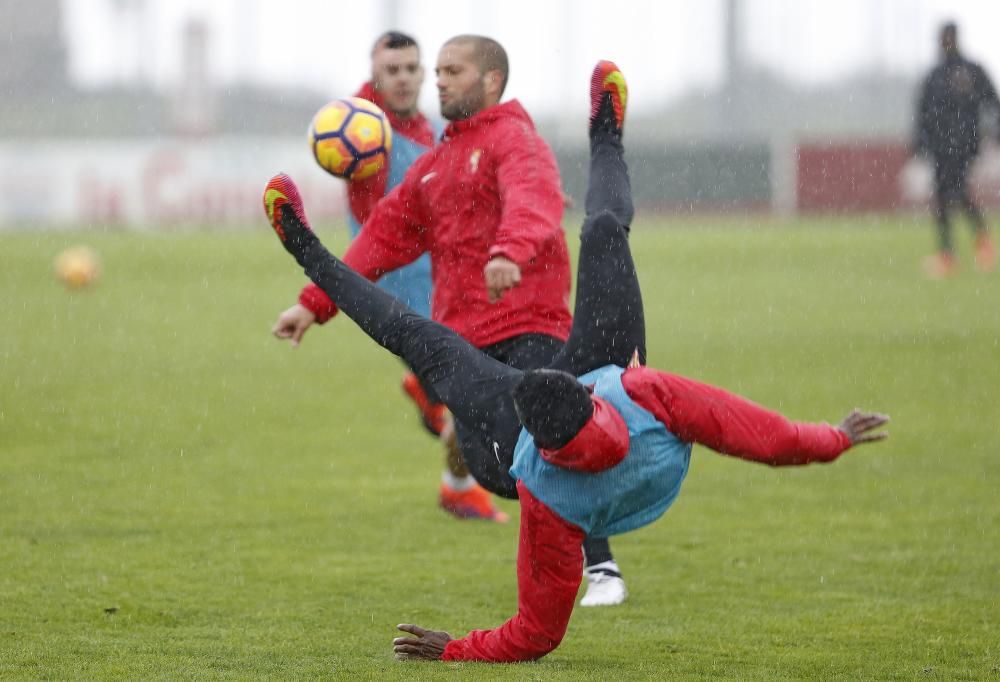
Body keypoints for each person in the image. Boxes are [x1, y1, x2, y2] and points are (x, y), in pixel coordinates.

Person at [263, 60, 890, 663]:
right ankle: (607, 137)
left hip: (512, 445)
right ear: (587, 393)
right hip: (610, 405)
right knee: (604, 232)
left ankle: (299, 241)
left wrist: (451, 649)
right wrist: (833, 438)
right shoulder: (647, 395)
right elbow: (760, 434)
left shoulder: (545, 501)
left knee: (415, 337)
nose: (436, 80)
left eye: (449, 71)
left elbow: (534, 634)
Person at [274, 34, 629, 606]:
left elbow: (533, 200)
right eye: (436, 70)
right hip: (460, 343)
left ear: (490, 81)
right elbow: (381, 239)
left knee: (549, 443)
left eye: (451, 70)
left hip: (529, 323)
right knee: (496, 471)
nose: (437, 80)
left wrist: (509, 252)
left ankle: (603, 569)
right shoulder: (436, 164)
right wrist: (313, 304)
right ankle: (583, 491)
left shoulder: (516, 140)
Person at [271, 32, 508, 523]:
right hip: (396, 294)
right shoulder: (362, 129)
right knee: (474, 402)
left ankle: (450, 459)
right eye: (391, 70)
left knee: (476, 399)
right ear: (375, 75)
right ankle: (457, 481)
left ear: (424, 75)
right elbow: (370, 236)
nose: (402, 78)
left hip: (451, 286)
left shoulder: (433, 132)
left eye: (411, 68)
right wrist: (313, 303)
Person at [915, 21, 1000, 278]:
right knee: (945, 196)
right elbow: (922, 113)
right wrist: (920, 142)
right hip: (941, 147)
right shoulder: (935, 75)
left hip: (963, 145)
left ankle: (972, 245)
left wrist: (995, 132)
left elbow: (992, 103)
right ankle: (951, 253)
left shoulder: (971, 71)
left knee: (956, 191)